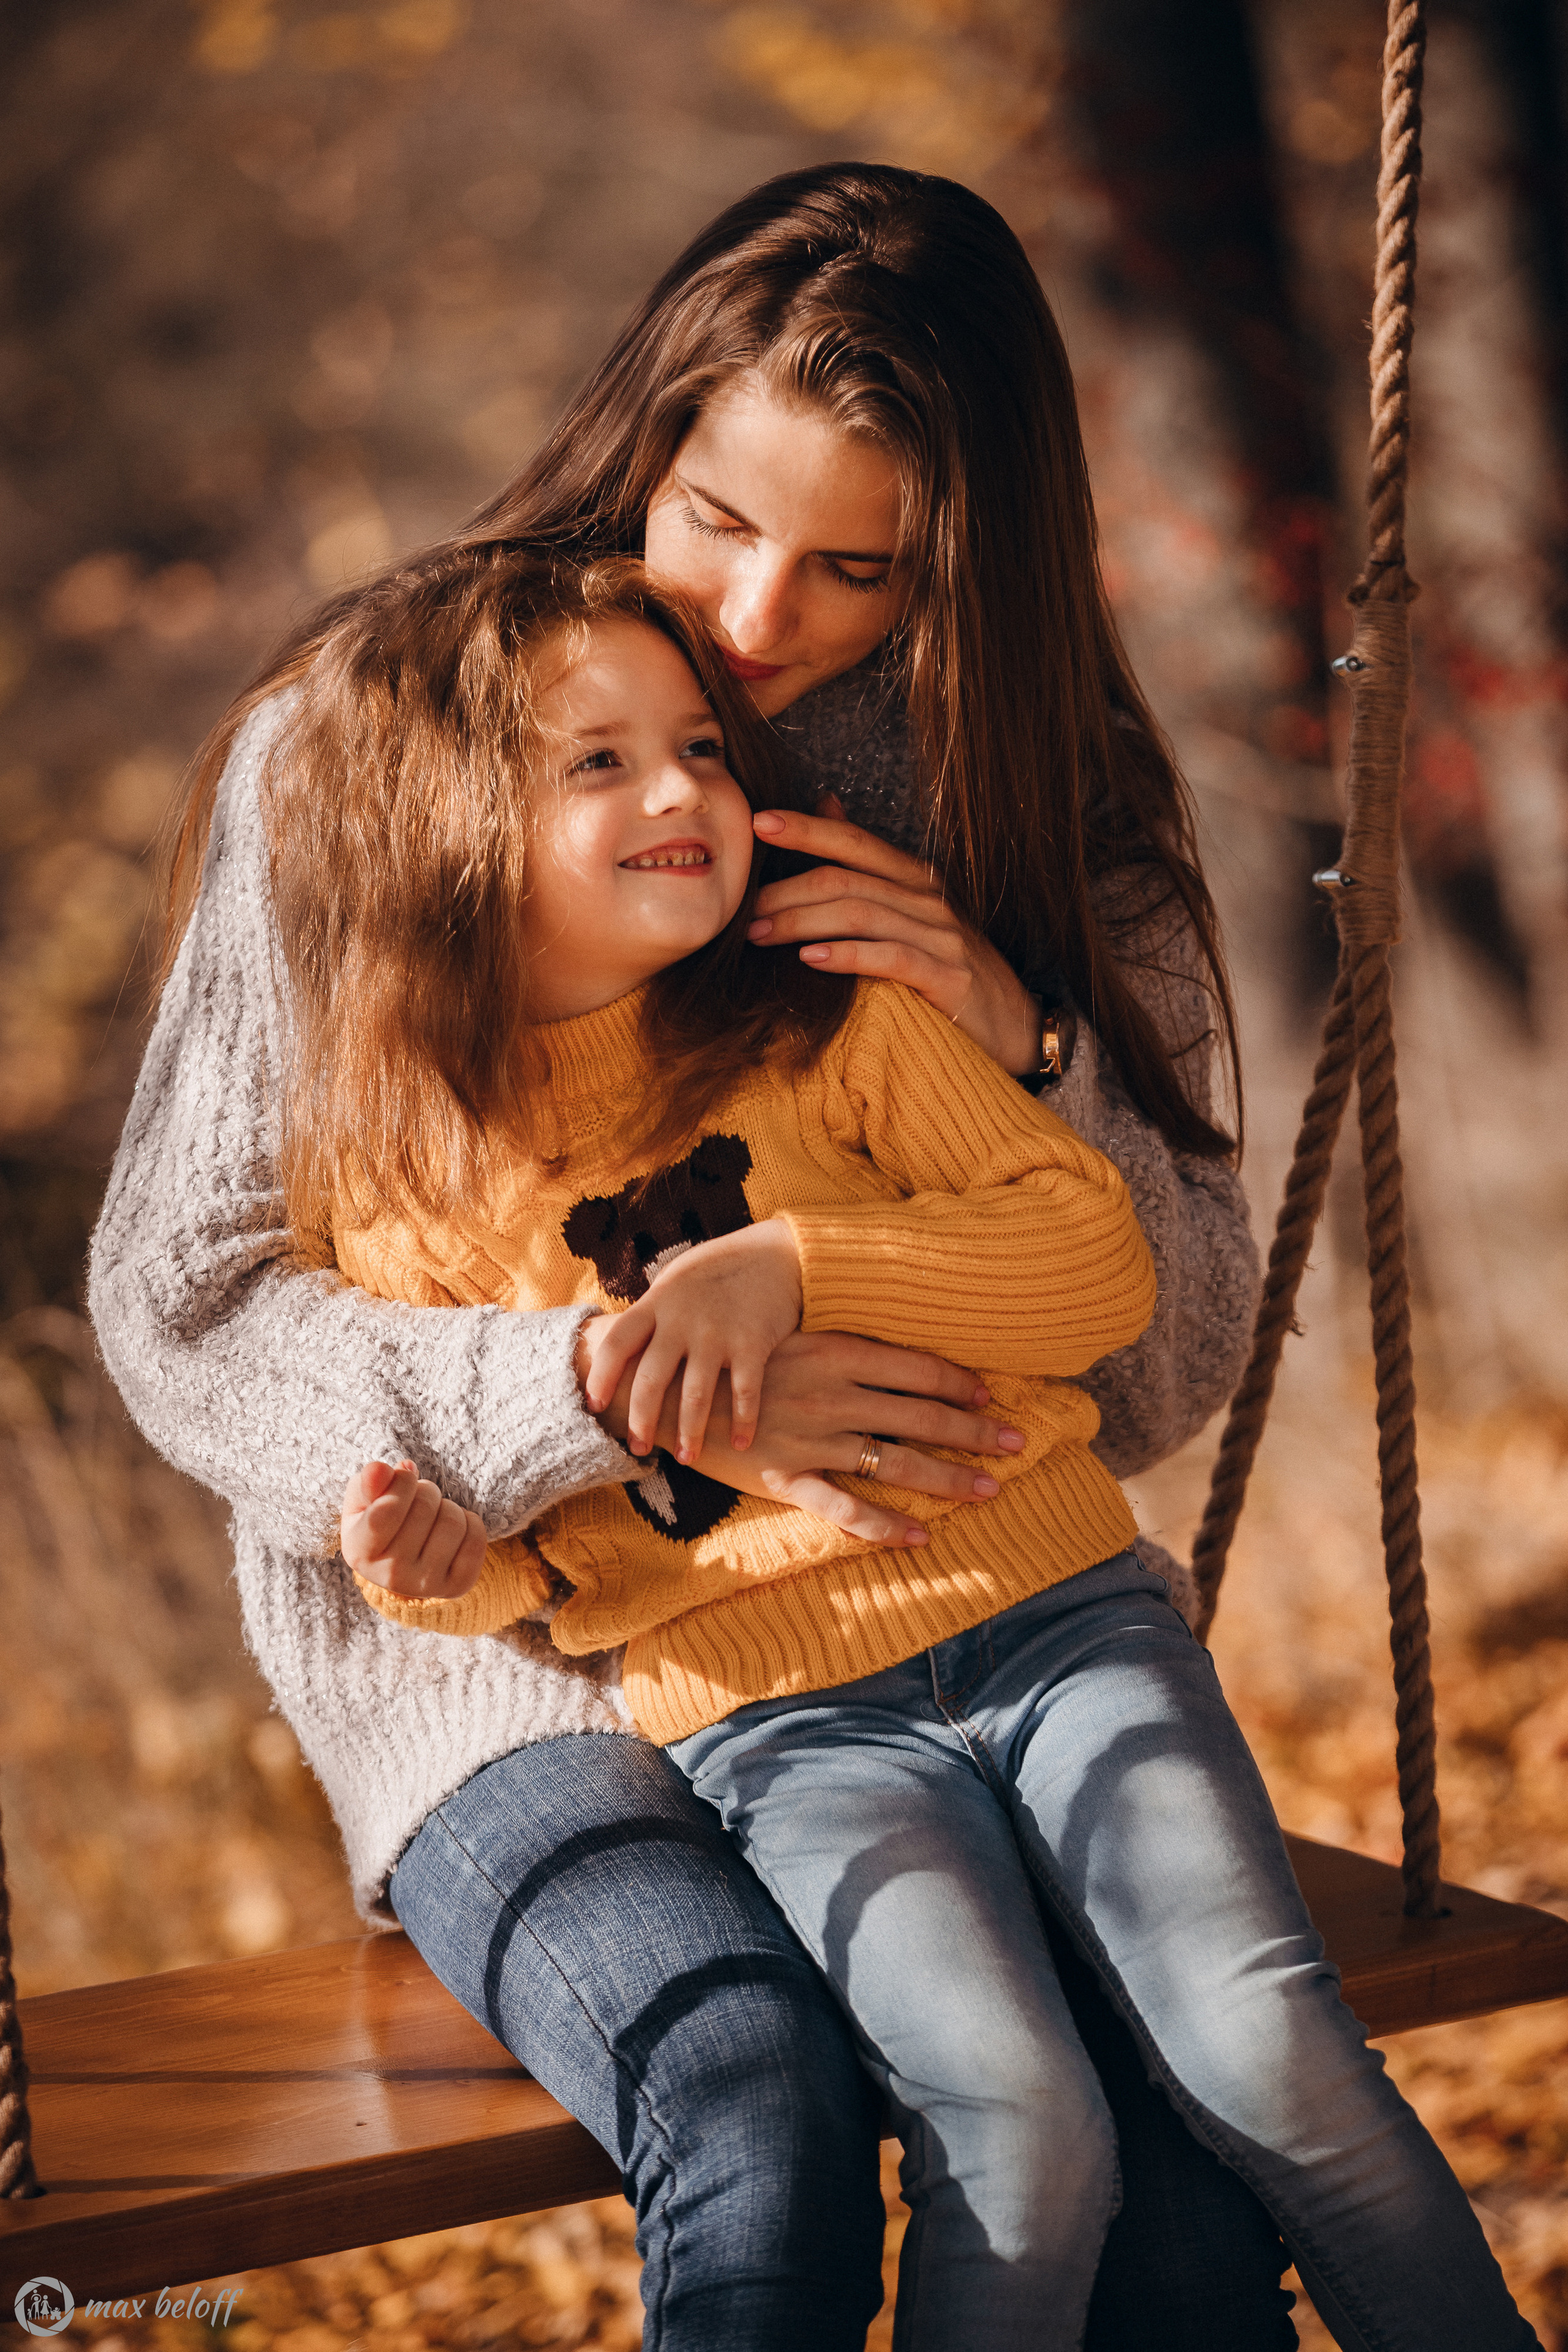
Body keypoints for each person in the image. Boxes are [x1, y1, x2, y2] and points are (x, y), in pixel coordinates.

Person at [89, 163, 1301, 2346]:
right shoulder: (381, 736)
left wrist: (1025, 1050)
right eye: (717, 520)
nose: (753, 623)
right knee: (760, 2096)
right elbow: (183, 1304)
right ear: (645, 432)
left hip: (935, 1645)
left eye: (859, 566)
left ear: (966, 557)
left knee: (1188, 2197)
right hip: (513, 1666)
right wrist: (606, 1393)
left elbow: (1173, 1360)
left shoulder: (1039, 794)